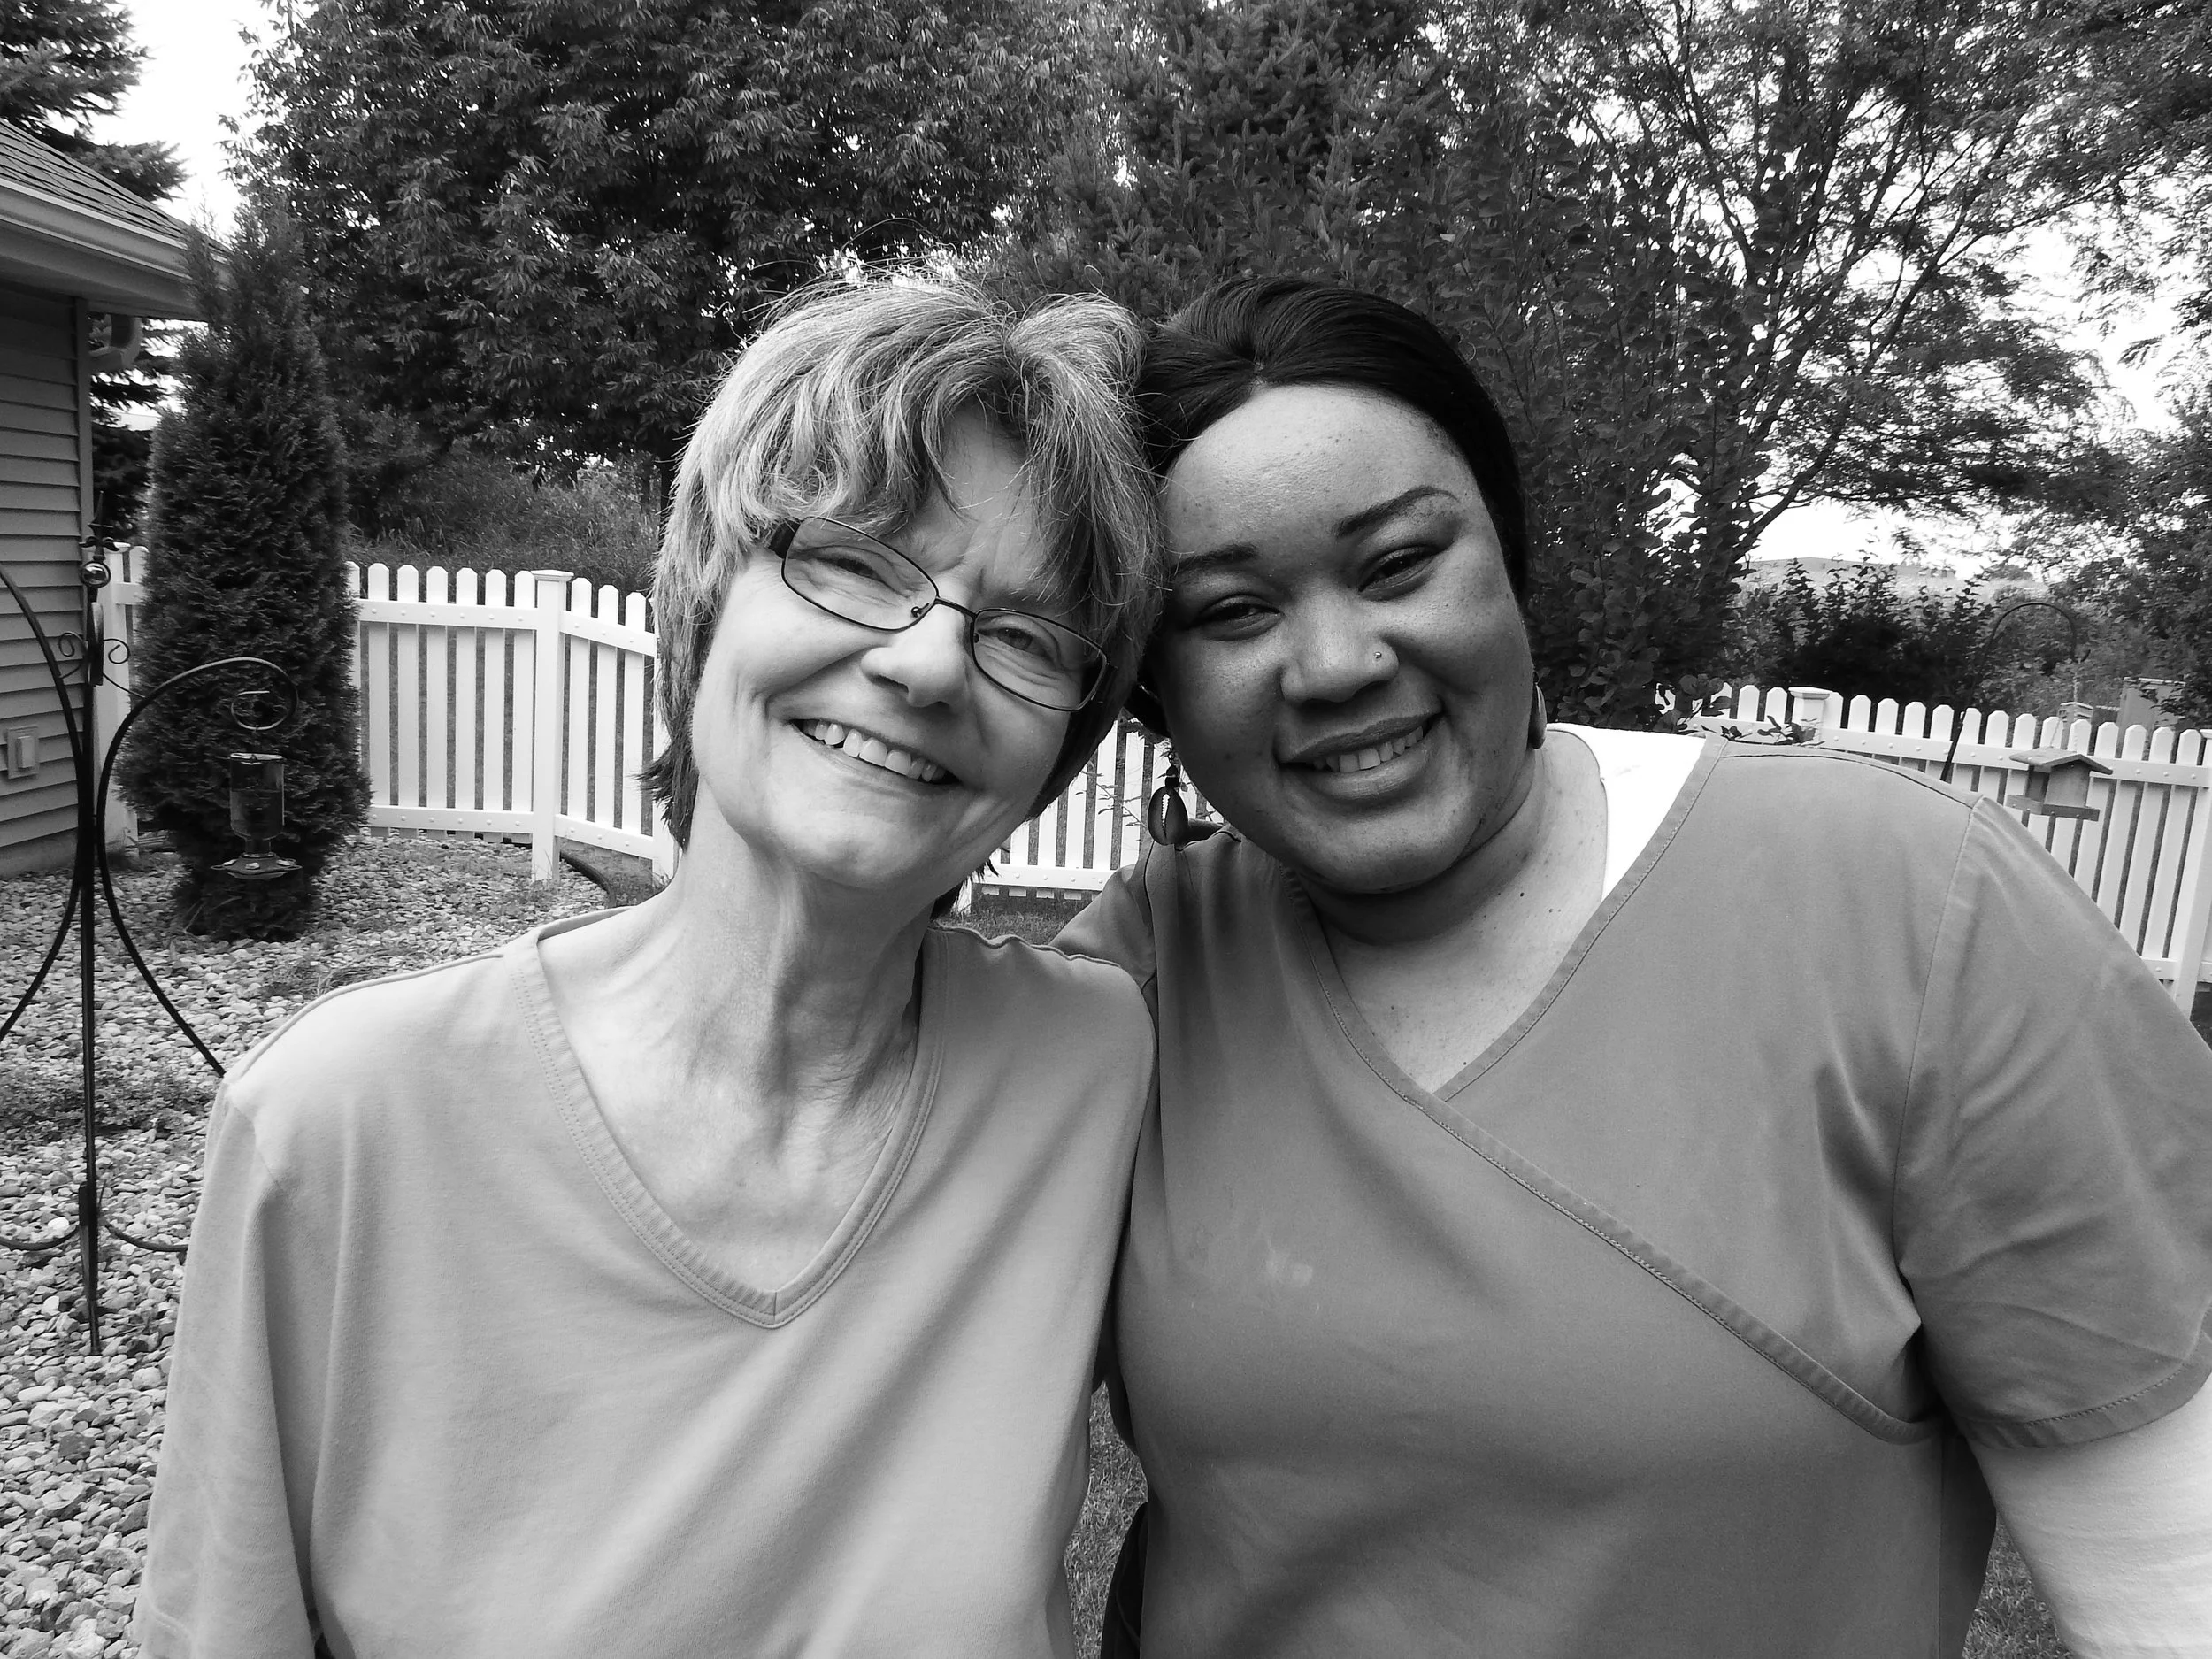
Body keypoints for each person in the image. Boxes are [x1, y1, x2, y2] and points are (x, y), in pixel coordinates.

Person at [1063, 276, 2212, 1658]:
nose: (1335, 663)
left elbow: (2173, 1583)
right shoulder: (1135, 985)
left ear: (1508, 558)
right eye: (1232, 612)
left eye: (1398, 564)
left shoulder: (1912, 912)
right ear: (1153, 684)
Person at [136, 274, 1164, 1657]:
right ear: (703, 600)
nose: (929, 662)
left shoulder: (1087, 1071)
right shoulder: (341, 1130)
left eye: (1026, 637)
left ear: (1060, 749)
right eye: (857, 560)